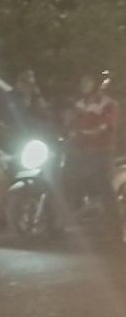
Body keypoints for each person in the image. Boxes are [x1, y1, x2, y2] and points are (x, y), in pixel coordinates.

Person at [67, 73, 119, 223]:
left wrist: (89, 130)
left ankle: (115, 227)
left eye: (87, 81)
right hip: (84, 151)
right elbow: (71, 123)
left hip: (102, 150)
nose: (83, 85)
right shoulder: (79, 104)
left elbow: (106, 125)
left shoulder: (107, 103)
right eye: (82, 81)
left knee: (104, 187)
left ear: (95, 83)